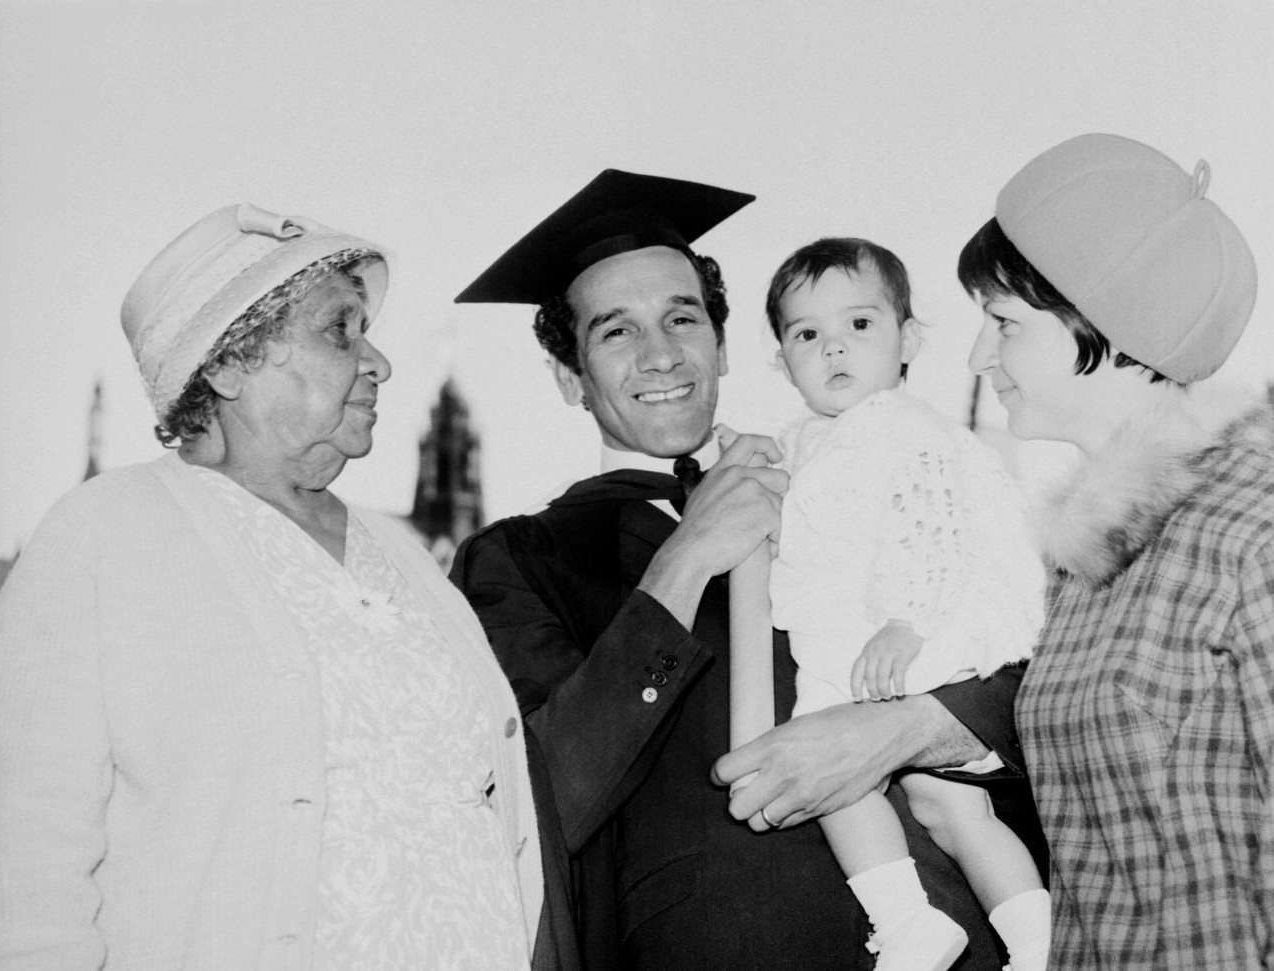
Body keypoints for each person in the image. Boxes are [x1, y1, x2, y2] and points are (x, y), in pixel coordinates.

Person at [450, 169, 1044, 970]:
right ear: (570, 376)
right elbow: (538, 801)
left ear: (723, 345)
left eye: (682, 318)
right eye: (617, 332)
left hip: (952, 937)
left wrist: (907, 728)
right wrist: (684, 559)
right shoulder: (521, 559)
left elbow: (1024, 663)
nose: (662, 354)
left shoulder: (844, 473)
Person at [0, 204, 554, 970]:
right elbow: (23, 871)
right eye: (340, 330)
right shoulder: (104, 533)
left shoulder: (410, 557)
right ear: (228, 362)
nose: (380, 362)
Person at [958, 133, 1269, 969]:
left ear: (1107, 324)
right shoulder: (1085, 554)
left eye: (1003, 323)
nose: (979, 356)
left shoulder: (1253, 529)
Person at [761, 237, 1049, 971]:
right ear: (782, 362)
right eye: (807, 335)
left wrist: (905, 620)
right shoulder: (818, 435)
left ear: (908, 340)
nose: (834, 348)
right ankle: (1035, 934)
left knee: (833, 772)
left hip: (883, 635)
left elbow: (933, 525)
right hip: (870, 636)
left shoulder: (900, 427)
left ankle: (904, 919)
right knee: (948, 805)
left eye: (860, 325)